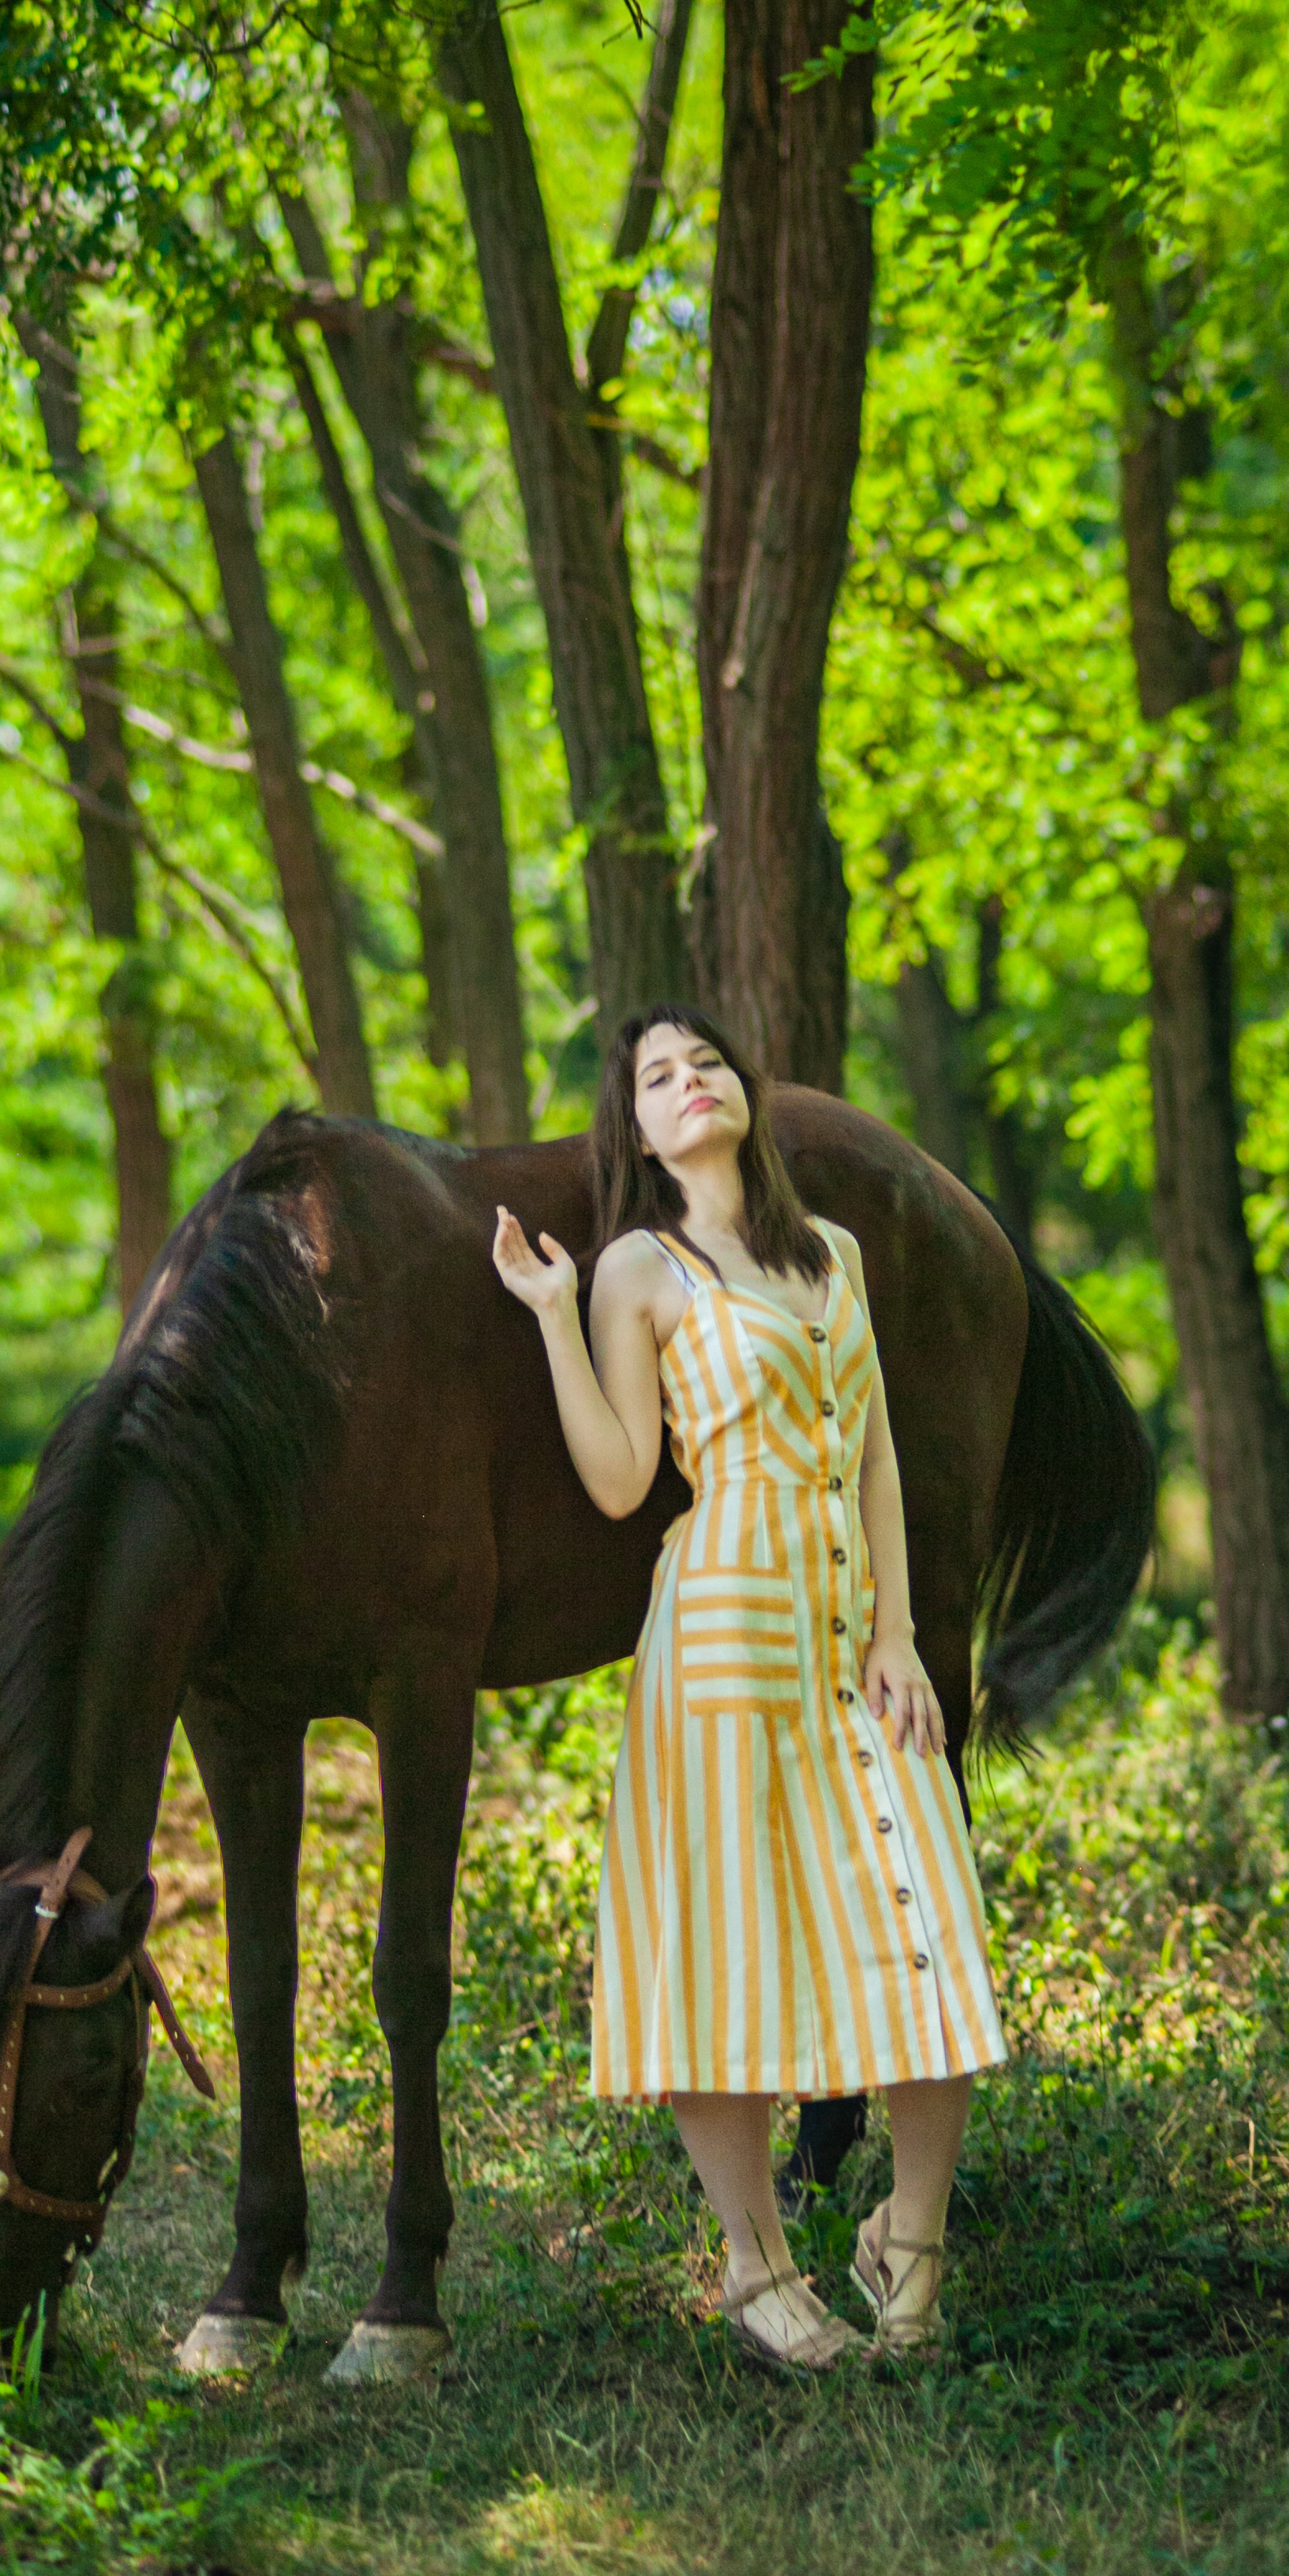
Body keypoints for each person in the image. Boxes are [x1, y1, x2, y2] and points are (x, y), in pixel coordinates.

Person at [492, 1006, 1007, 2371]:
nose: (688, 1083)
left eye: (705, 1063)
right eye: (657, 1077)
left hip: (851, 1637)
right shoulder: (634, 1274)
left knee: (925, 1921)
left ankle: (911, 2236)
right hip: (721, 1628)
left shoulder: (832, 1254)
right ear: (641, 1131)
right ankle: (753, 2257)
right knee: (717, 1950)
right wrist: (553, 1317)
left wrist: (900, 1638)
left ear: (742, 1095)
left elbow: (881, 1460)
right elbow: (618, 1481)